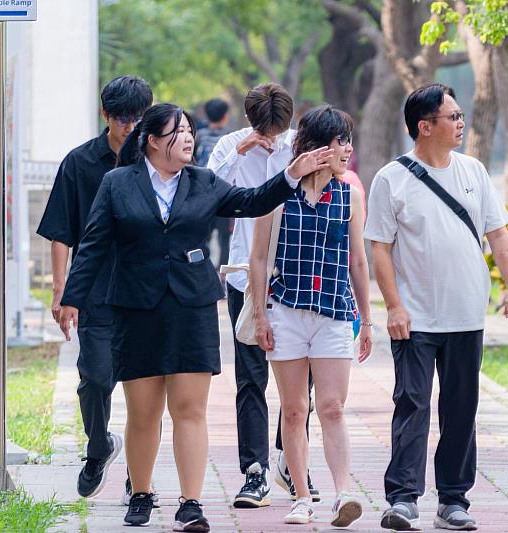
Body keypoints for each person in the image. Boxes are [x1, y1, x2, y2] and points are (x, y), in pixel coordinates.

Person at [58, 103, 334, 531]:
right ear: (152, 140)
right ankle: (143, 494)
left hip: (192, 307)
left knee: (190, 409)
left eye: (189, 130)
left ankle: (191, 502)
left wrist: (291, 174)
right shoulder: (118, 183)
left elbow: (251, 201)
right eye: (177, 131)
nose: (188, 138)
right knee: (143, 411)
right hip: (136, 307)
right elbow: (93, 244)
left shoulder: (204, 182)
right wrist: (71, 298)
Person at [365, 83, 508, 531]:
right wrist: (393, 307)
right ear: (424, 126)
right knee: (411, 404)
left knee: (461, 408)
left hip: (466, 313)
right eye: (452, 117)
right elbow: (380, 249)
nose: (461, 122)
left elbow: (499, 236)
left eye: (459, 115)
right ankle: (402, 499)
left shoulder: (473, 171)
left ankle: (454, 500)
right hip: (414, 316)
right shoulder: (391, 179)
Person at [250, 105, 373, 527]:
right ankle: (302, 496)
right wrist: (261, 316)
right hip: (285, 310)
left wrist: (368, 321)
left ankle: (343, 494)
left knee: (332, 406)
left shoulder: (351, 193)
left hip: (336, 311)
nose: (347, 149)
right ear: (318, 145)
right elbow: (260, 257)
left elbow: (358, 261)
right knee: (293, 408)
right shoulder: (280, 191)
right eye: (340, 141)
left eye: (348, 141)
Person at [35, 75, 152, 501]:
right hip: (98, 289)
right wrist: (61, 292)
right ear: (106, 116)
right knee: (96, 378)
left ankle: (139, 480)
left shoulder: (156, 160)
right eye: (123, 118)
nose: (130, 127)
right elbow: (61, 230)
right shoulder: (80, 163)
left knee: (147, 388)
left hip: (147, 290)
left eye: (138, 119)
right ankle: (98, 444)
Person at [208, 83, 318, 508]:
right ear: (250, 120)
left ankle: (290, 462)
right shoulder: (229, 146)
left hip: (294, 276)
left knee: (300, 380)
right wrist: (241, 153)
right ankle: (253, 471)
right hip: (244, 277)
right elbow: (208, 195)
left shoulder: (299, 147)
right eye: (263, 129)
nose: (270, 137)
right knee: (250, 376)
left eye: (277, 129)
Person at [194, 98, 234, 272]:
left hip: (201, 194)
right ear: (225, 116)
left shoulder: (199, 136)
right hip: (224, 194)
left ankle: (202, 269)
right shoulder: (231, 138)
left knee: (202, 236)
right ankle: (222, 274)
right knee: (225, 237)